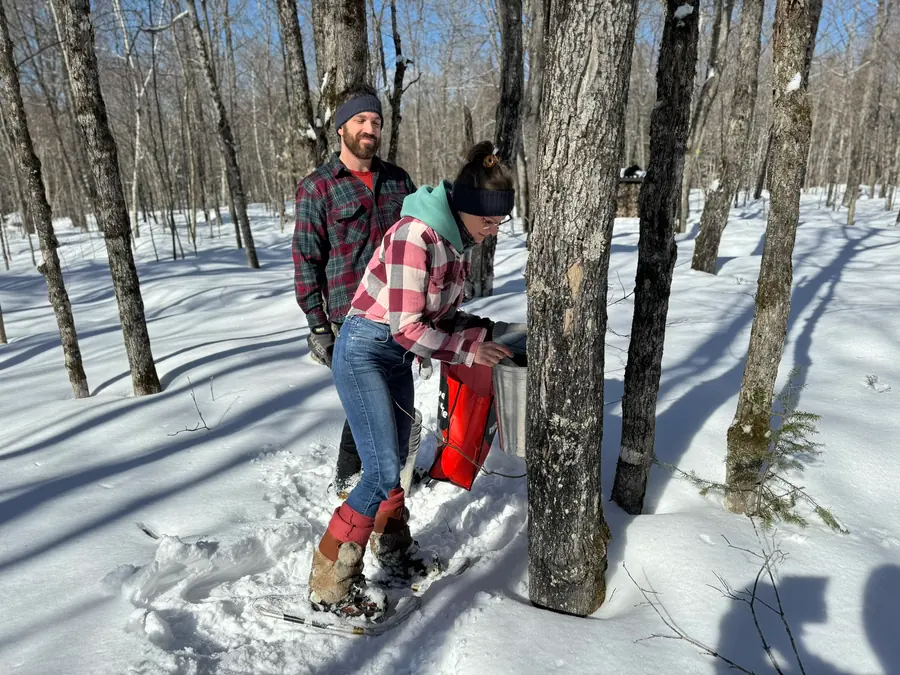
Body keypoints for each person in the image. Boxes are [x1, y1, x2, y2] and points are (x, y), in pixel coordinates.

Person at [307, 141, 515, 620]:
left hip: (397, 356)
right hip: (365, 353)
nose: (492, 232)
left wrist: (483, 330)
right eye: (489, 221)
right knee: (379, 471)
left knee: (396, 461)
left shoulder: (454, 243)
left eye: (498, 223)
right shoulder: (414, 237)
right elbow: (406, 326)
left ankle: (394, 555)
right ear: (465, 208)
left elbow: (436, 315)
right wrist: (467, 347)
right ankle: (329, 583)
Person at [293, 84, 416, 498]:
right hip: (352, 324)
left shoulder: (399, 181)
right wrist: (319, 328)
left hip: (402, 318)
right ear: (341, 128)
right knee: (369, 408)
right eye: (361, 120)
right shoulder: (318, 188)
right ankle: (356, 490)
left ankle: (373, 492)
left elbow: (422, 241)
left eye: (376, 121)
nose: (370, 128)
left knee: (389, 414)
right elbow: (306, 262)